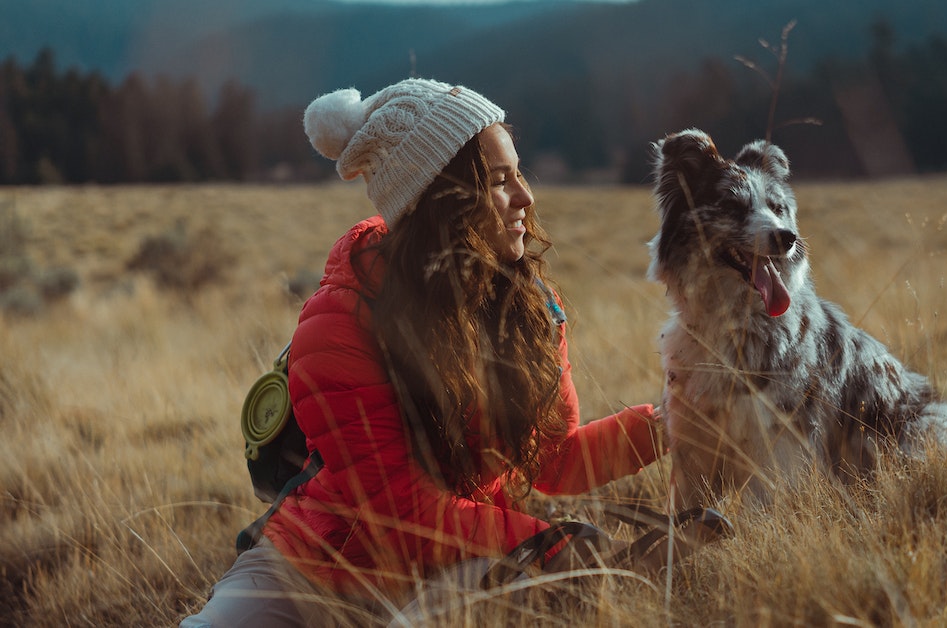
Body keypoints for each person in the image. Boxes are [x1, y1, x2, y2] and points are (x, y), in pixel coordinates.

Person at [182, 79, 665, 627]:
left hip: (451, 565)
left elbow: (552, 457)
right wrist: (545, 542)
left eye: (519, 174)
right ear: (440, 200)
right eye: (499, 182)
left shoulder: (532, 310)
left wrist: (665, 426)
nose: (526, 198)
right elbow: (404, 516)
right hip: (312, 572)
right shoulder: (337, 326)